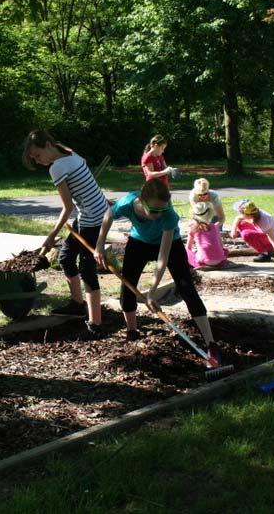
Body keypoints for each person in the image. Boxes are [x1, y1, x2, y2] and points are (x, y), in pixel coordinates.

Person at [93, 179, 222, 367]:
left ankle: (211, 344)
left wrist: (152, 292)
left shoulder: (169, 216)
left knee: (186, 287)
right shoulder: (129, 202)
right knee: (128, 285)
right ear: (141, 201)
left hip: (170, 244)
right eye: (154, 210)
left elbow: (163, 258)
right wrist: (99, 245)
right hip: (139, 243)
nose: (158, 215)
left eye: (162, 210)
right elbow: (109, 215)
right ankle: (132, 331)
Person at [23, 130, 109, 338]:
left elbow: (67, 207)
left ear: (47, 145)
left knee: (87, 270)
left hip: (93, 218)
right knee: (66, 257)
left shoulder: (57, 168)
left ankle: (95, 325)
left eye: (37, 155)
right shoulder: (70, 153)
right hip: (94, 211)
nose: (38, 161)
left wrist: (52, 235)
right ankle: (77, 304)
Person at [230, 199, 274, 265]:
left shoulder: (264, 222)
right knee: (240, 224)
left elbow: (273, 240)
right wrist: (233, 230)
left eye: (242, 214)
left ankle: (265, 254)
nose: (241, 215)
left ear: (249, 215)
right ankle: (263, 250)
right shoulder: (255, 213)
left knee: (246, 234)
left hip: (271, 241)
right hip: (261, 232)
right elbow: (238, 218)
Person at [186, 201, 229, 269]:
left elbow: (188, 248)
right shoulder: (215, 226)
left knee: (186, 251)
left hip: (203, 262)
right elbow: (221, 246)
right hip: (219, 262)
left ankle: (198, 264)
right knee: (225, 250)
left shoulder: (193, 228)